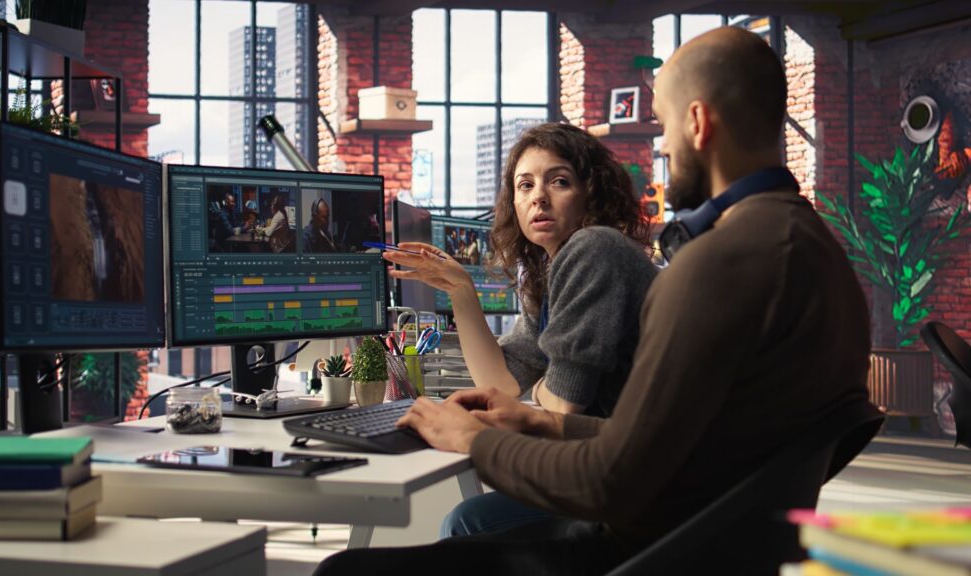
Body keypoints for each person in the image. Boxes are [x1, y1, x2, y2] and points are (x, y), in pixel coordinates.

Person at [314, 27, 873, 576]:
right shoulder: (809, 251)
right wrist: (539, 426)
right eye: (524, 186)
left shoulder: (721, 263)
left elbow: (611, 478)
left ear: (698, 123)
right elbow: (665, 443)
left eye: (664, 125)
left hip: (640, 547)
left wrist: (476, 441)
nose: (663, 147)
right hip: (708, 540)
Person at [383, 121, 658, 537]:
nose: (538, 198)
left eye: (559, 182)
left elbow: (563, 405)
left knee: (469, 522)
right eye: (524, 186)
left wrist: (543, 389)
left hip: (638, 481)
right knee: (471, 517)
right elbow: (505, 383)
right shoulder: (550, 271)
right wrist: (461, 291)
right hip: (609, 464)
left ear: (591, 193)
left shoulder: (594, 248)